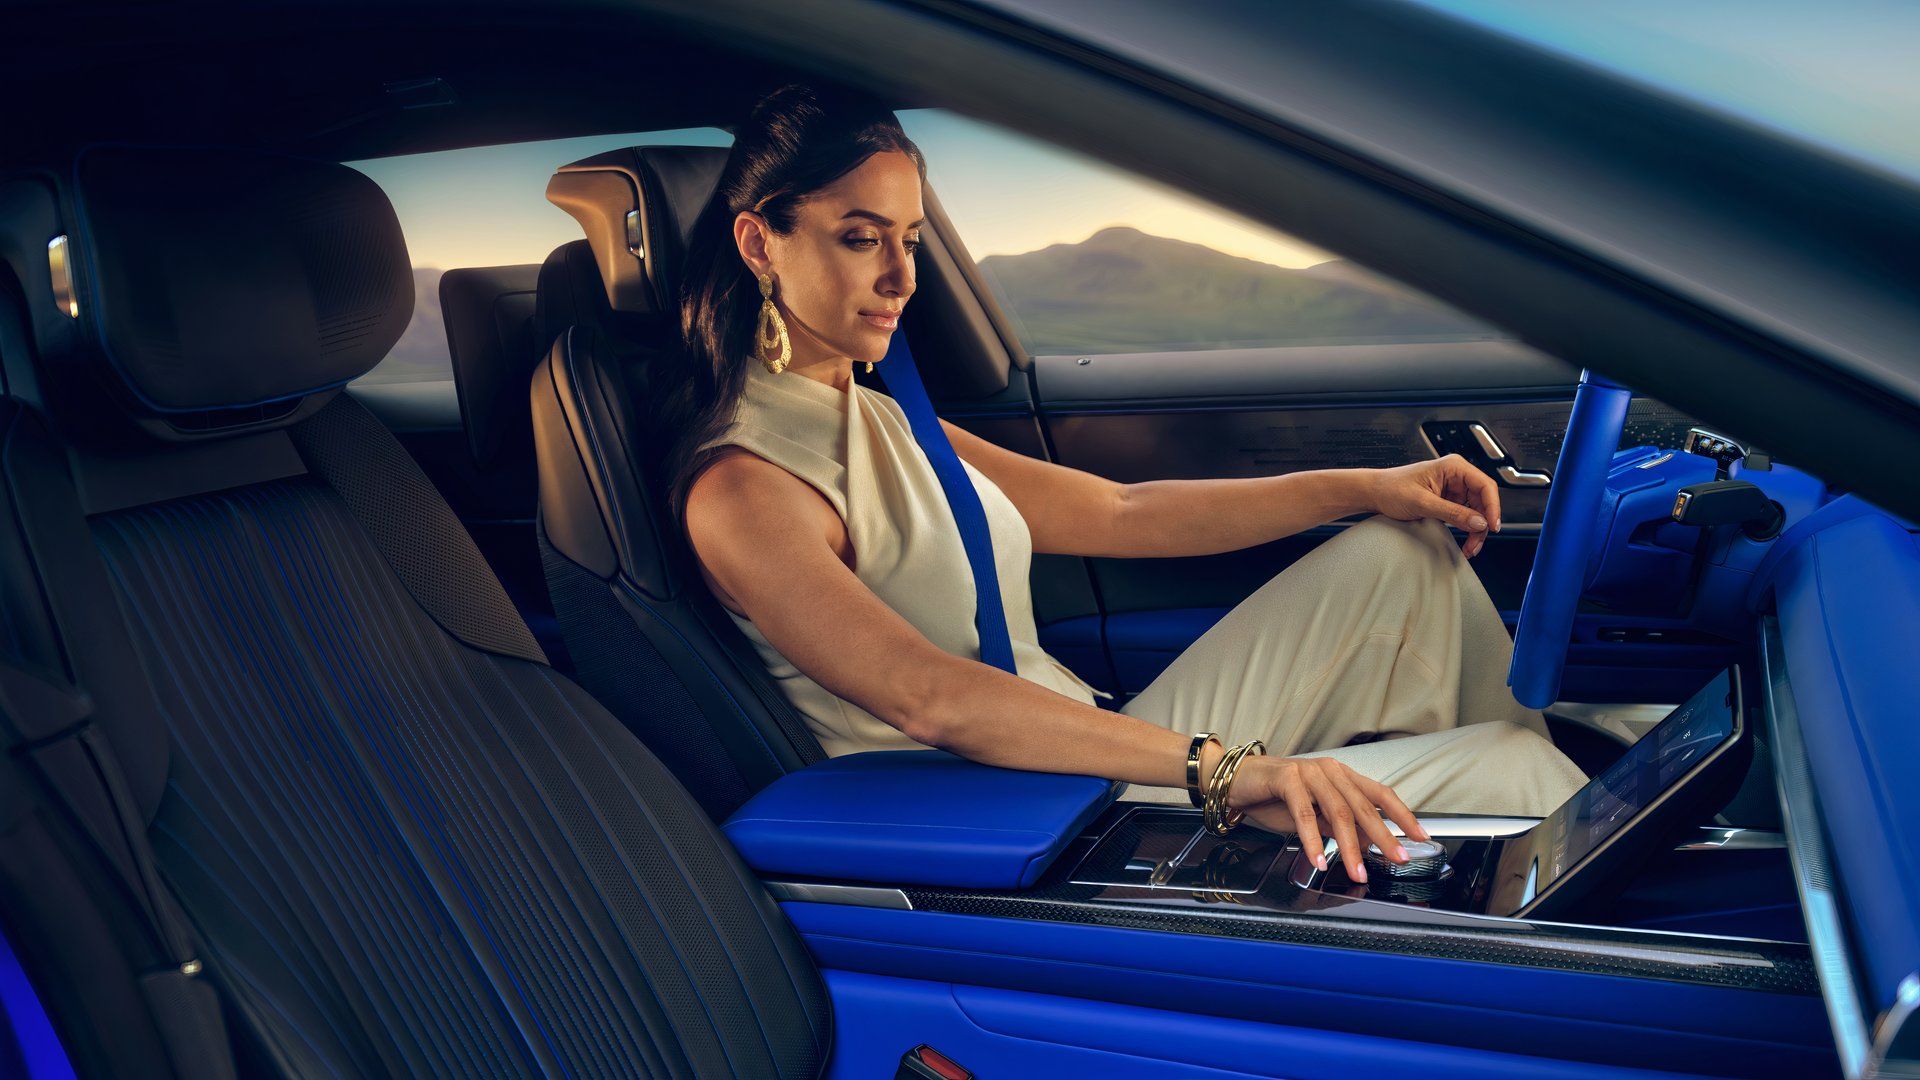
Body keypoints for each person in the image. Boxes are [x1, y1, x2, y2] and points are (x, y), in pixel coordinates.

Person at [650, 83, 1587, 883]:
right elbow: (928, 696)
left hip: (1079, 742)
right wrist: (1229, 771)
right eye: (862, 239)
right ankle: (1573, 883)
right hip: (1016, 809)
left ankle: (1523, 839)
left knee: (1403, 555)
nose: (902, 277)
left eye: (910, 239)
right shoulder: (744, 485)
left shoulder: (877, 414)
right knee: (1515, 770)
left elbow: (1118, 510)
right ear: (759, 244)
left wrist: (1367, 484)